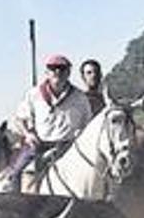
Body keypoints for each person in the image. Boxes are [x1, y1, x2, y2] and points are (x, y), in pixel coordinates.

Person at [10, 54, 92, 191]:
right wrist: (28, 134)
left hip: (68, 148)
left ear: (69, 72)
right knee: (16, 174)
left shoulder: (80, 97)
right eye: (53, 68)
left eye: (62, 68)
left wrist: (81, 135)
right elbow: (19, 119)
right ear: (46, 72)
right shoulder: (33, 94)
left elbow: (88, 124)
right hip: (38, 147)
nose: (57, 72)